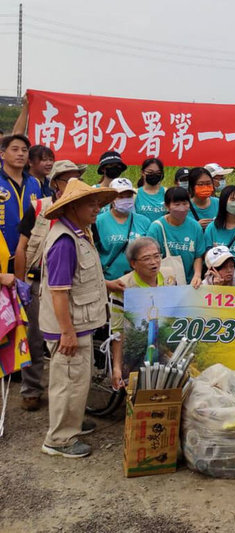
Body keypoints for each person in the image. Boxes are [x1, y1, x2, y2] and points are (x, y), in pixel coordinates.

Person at [38, 179, 118, 458]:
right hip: (69, 326)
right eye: (91, 203)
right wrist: (67, 332)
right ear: (73, 207)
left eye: (98, 203)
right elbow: (59, 292)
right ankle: (59, 438)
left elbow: (82, 279)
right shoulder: (64, 241)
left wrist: (110, 285)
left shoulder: (79, 234)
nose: (97, 208)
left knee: (77, 379)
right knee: (68, 381)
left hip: (79, 322)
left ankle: (71, 423)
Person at [15, 160, 85, 412]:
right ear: (55, 183)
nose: (74, 184)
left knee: (66, 339)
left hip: (68, 286)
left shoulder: (83, 210)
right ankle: (31, 388)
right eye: (68, 179)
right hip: (37, 283)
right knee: (34, 338)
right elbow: (22, 247)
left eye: (78, 179)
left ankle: (65, 399)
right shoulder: (39, 207)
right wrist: (20, 283)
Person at [109, 237, 180, 390]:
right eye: (146, 258)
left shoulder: (169, 277)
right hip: (137, 351)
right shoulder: (122, 287)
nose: (154, 262)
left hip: (164, 345)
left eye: (156, 256)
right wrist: (117, 367)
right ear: (133, 263)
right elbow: (118, 330)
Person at [146, 186, 204, 287]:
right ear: (167, 206)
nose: (182, 208)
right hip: (163, 283)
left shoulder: (195, 227)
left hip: (189, 283)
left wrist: (197, 275)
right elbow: (149, 256)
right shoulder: (157, 228)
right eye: (177, 204)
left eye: (185, 203)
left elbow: (198, 256)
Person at [1, 134, 43, 272]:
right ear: (2, 154)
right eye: (15, 149)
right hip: (3, 255)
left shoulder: (35, 183)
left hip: (29, 254)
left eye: (24, 150)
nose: (20, 154)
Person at [95, 178, 151, 281]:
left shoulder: (144, 222)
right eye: (120, 197)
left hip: (138, 282)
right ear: (111, 199)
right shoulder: (98, 222)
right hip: (108, 282)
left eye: (129, 196)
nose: (125, 200)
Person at [204, 185, 235, 278]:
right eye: (233, 199)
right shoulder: (212, 228)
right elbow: (207, 254)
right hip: (216, 273)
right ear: (223, 202)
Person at [133, 158, 168, 223]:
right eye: (150, 172)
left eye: (158, 173)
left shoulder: (167, 193)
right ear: (142, 172)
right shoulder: (134, 194)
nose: (154, 175)